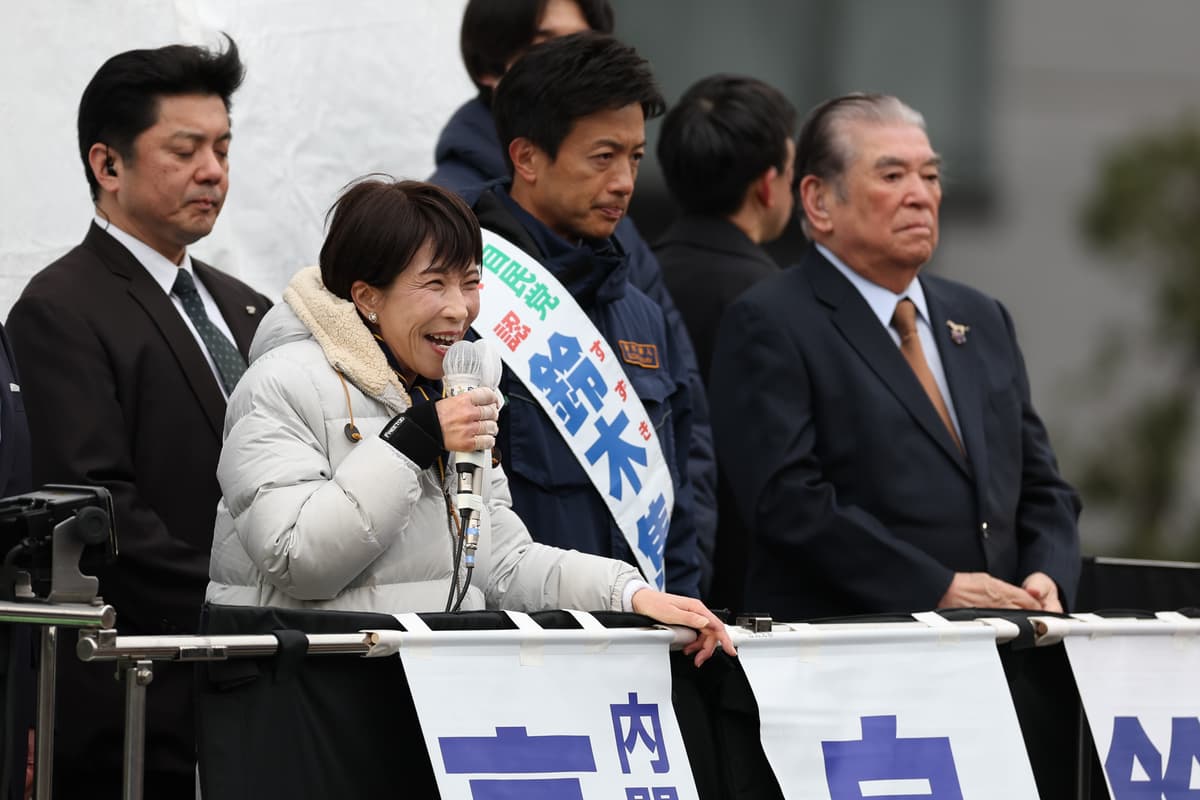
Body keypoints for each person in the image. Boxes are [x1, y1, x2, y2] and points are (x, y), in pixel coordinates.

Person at [206, 178, 733, 667]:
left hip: (430, 699)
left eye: (471, 283)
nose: (459, 309)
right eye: (434, 284)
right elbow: (298, 559)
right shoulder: (280, 383)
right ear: (367, 297)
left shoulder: (454, 387)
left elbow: (502, 561)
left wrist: (631, 594)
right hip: (310, 704)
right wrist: (415, 438)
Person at [6, 37, 271, 797]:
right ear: (108, 165)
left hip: (252, 679)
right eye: (185, 149)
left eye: (223, 146)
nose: (214, 170)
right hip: (140, 697)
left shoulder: (243, 305)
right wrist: (246, 601)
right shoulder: (60, 308)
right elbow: (96, 507)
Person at [708, 93, 1082, 621]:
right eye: (892, 177)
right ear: (818, 201)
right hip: (855, 652)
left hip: (1003, 652)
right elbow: (787, 503)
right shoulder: (771, 320)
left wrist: (1048, 573)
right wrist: (937, 588)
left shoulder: (981, 317)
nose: (920, 196)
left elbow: (1041, 484)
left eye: (929, 176)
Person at [431, 2, 719, 592]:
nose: (624, 182)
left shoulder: (641, 311)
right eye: (603, 157)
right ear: (527, 157)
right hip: (517, 643)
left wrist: (683, 612)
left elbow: (678, 502)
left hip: (640, 640)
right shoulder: (459, 298)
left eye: (635, 157)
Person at [653, 74, 797, 612]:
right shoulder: (783, 303)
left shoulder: (633, 286)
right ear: (768, 185)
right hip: (749, 607)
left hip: (652, 583)